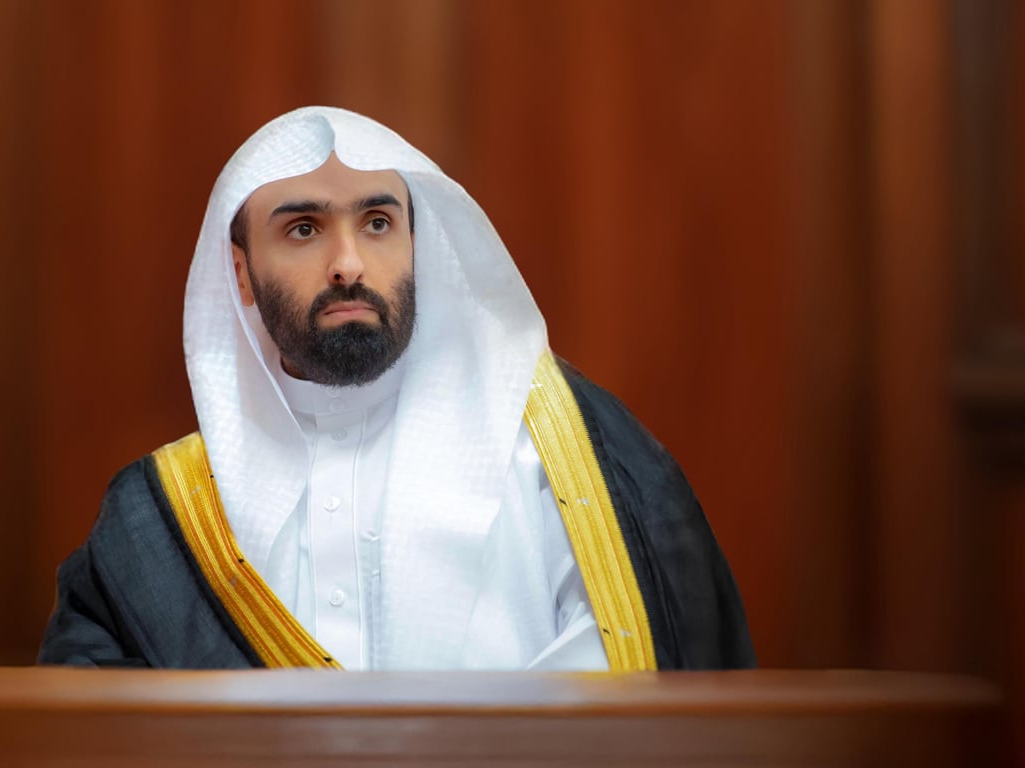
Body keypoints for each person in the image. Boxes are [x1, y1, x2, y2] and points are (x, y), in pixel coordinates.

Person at [38, 107, 754, 671]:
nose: (348, 263)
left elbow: (636, 707)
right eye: (303, 229)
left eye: (377, 223)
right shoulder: (163, 520)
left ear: (417, 245)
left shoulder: (568, 464)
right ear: (240, 274)